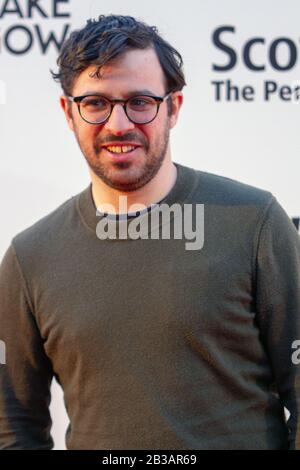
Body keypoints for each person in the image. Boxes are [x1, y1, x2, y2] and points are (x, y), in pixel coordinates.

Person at [0, 14, 299, 451]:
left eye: (140, 101)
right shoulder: (30, 258)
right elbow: (13, 426)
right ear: (69, 112)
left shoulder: (254, 221)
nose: (118, 125)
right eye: (96, 103)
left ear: (174, 107)